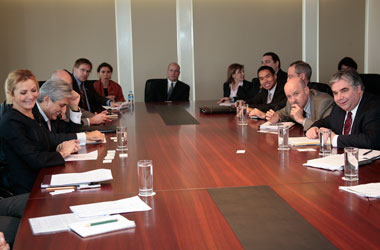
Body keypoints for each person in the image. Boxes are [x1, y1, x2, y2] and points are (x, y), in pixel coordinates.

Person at [0, 70, 80, 194]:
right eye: (23, 92)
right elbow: (34, 158)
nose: (30, 96)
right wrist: (63, 152)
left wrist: (59, 146)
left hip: (44, 177)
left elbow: (46, 141)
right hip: (28, 188)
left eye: (33, 90)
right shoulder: (10, 120)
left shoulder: (32, 114)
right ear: (12, 94)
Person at [306, 69, 380, 149]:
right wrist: (314, 128)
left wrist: (335, 139)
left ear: (358, 89)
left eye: (344, 90)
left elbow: (371, 140)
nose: (339, 98)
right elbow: (326, 121)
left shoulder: (374, 107)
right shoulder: (339, 107)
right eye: (335, 93)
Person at [36, 79, 105, 143]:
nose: (63, 110)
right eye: (62, 105)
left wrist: (74, 107)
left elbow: (70, 131)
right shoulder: (32, 115)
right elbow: (49, 139)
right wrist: (86, 136)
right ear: (47, 100)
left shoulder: (51, 115)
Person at [265, 78, 334, 131]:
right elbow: (282, 113)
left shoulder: (323, 102)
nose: (293, 100)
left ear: (306, 90)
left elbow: (327, 129)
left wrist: (302, 120)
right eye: (289, 96)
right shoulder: (291, 103)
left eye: (296, 94)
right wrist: (276, 117)